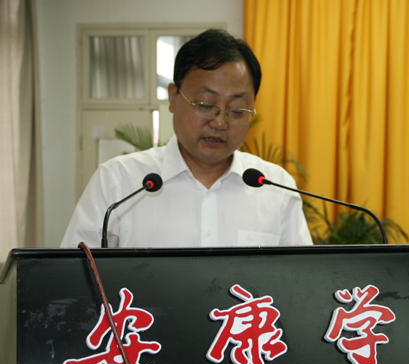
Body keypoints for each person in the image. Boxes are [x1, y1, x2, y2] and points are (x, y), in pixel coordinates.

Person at [61, 29, 312, 248]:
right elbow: (76, 277)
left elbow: (299, 280)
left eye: (237, 110)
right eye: (204, 104)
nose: (220, 122)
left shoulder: (276, 188)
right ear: (173, 98)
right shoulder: (118, 182)